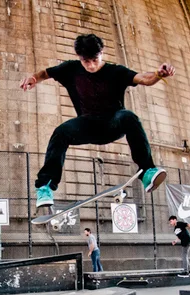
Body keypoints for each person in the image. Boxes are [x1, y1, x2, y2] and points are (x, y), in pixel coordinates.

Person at [20, 33, 174, 208]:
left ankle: (147, 172)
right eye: (86, 62)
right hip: (88, 125)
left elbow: (143, 78)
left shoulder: (116, 71)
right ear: (79, 58)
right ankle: (45, 187)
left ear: (102, 53)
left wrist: (158, 74)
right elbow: (45, 73)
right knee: (61, 132)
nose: (92, 65)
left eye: (95, 60)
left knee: (129, 116)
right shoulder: (70, 69)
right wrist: (33, 78)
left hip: (114, 124)